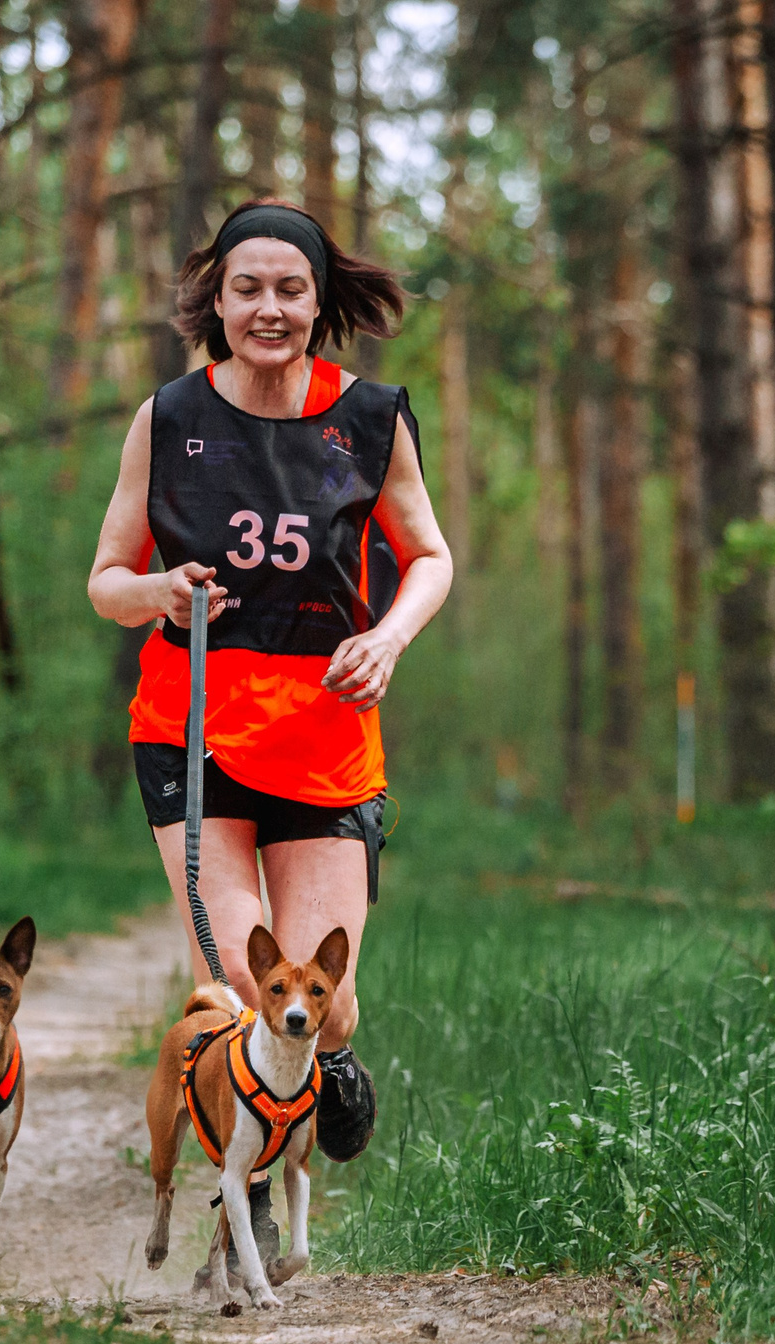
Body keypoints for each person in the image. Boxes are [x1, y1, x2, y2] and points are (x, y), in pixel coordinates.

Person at [86, 197, 454, 1271]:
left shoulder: (372, 417)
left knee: (324, 1007)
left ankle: (330, 1071)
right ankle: (239, 1206)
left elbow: (427, 554)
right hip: (189, 730)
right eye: (247, 287)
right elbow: (104, 579)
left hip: (327, 736)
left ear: (319, 299)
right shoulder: (167, 417)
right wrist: (153, 589)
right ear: (216, 299)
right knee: (250, 989)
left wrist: (385, 638)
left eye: (290, 288)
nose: (269, 307)